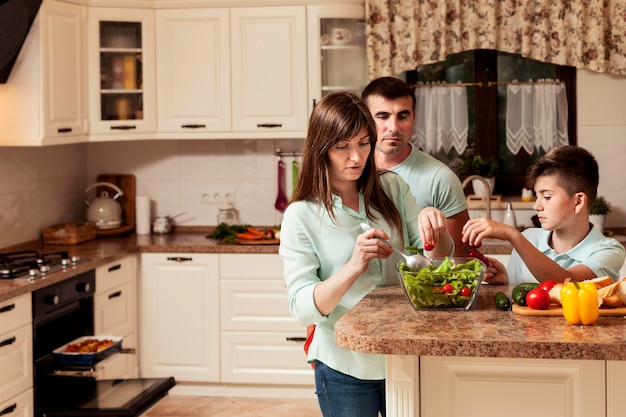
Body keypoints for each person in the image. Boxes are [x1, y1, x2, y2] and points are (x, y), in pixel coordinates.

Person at [279, 92, 453, 417]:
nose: (356, 157)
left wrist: (436, 231)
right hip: (344, 364)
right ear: (321, 149)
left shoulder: (392, 189)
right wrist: (354, 266)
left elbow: (432, 261)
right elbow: (302, 308)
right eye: (342, 146)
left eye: (363, 143)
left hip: (404, 356)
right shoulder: (301, 215)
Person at [462, 145, 625, 285]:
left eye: (547, 197)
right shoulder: (529, 238)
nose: (537, 205)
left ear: (578, 201)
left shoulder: (609, 250)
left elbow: (569, 282)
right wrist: (507, 280)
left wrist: (514, 235)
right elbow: (514, 301)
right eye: (536, 196)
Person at [361, 76, 472, 258]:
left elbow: (458, 261)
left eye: (403, 116)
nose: (393, 127)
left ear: (414, 117)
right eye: (383, 116)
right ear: (365, 119)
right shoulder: (350, 174)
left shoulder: (440, 178)